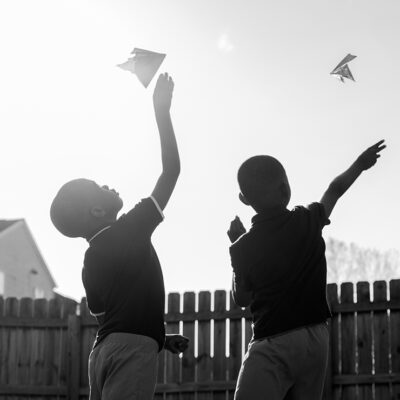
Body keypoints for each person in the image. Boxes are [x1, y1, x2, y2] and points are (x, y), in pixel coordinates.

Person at [50, 73, 188, 400]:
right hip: (131, 351)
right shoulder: (131, 227)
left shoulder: (90, 260)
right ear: (98, 211)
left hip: (101, 354)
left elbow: (109, 319)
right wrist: (162, 113)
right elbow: (171, 172)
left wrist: (159, 337)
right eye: (101, 188)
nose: (109, 186)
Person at [227, 140, 386, 400]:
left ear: (244, 199)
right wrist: (360, 164)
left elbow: (242, 299)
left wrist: (235, 247)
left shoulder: (242, 247)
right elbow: (334, 190)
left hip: (273, 339)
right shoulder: (307, 219)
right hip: (315, 338)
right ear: (286, 189)